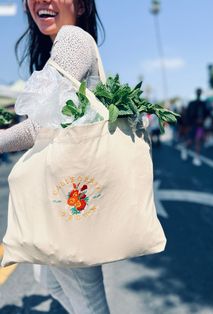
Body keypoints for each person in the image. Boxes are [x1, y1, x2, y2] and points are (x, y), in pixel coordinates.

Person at [0, 0, 110, 313]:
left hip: (72, 200)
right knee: (49, 279)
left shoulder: (72, 39)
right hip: (68, 196)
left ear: (81, 4)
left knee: (89, 304)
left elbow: (43, 125)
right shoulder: (65, 43)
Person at [180, 88, 210, 166]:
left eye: (200, 92)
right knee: (190, 141)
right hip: (192, 125)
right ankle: (185, 148)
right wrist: (188, 124)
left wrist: (203, 120)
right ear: (196, 93)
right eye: (198, 92)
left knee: (198, 141)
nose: (199, 93)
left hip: (200, 126)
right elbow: (187, 115)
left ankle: (196, 158)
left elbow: (207, 113)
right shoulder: (192, 103)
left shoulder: (203, 104)